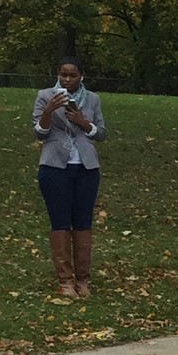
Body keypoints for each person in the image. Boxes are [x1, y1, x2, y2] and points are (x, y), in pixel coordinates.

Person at [32, 58, 108, 298]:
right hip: (54, 166)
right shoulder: (45, 95)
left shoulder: (93, 99)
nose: (67, 80)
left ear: (81, 77)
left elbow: (102, 133)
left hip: (86, 168)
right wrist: (49, 111)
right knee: (60, 221)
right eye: (63, 75)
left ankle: (83, 279)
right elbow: (38, 133)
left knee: (83, 222)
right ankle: (65, 281)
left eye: (72, 76)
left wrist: (83, 123)